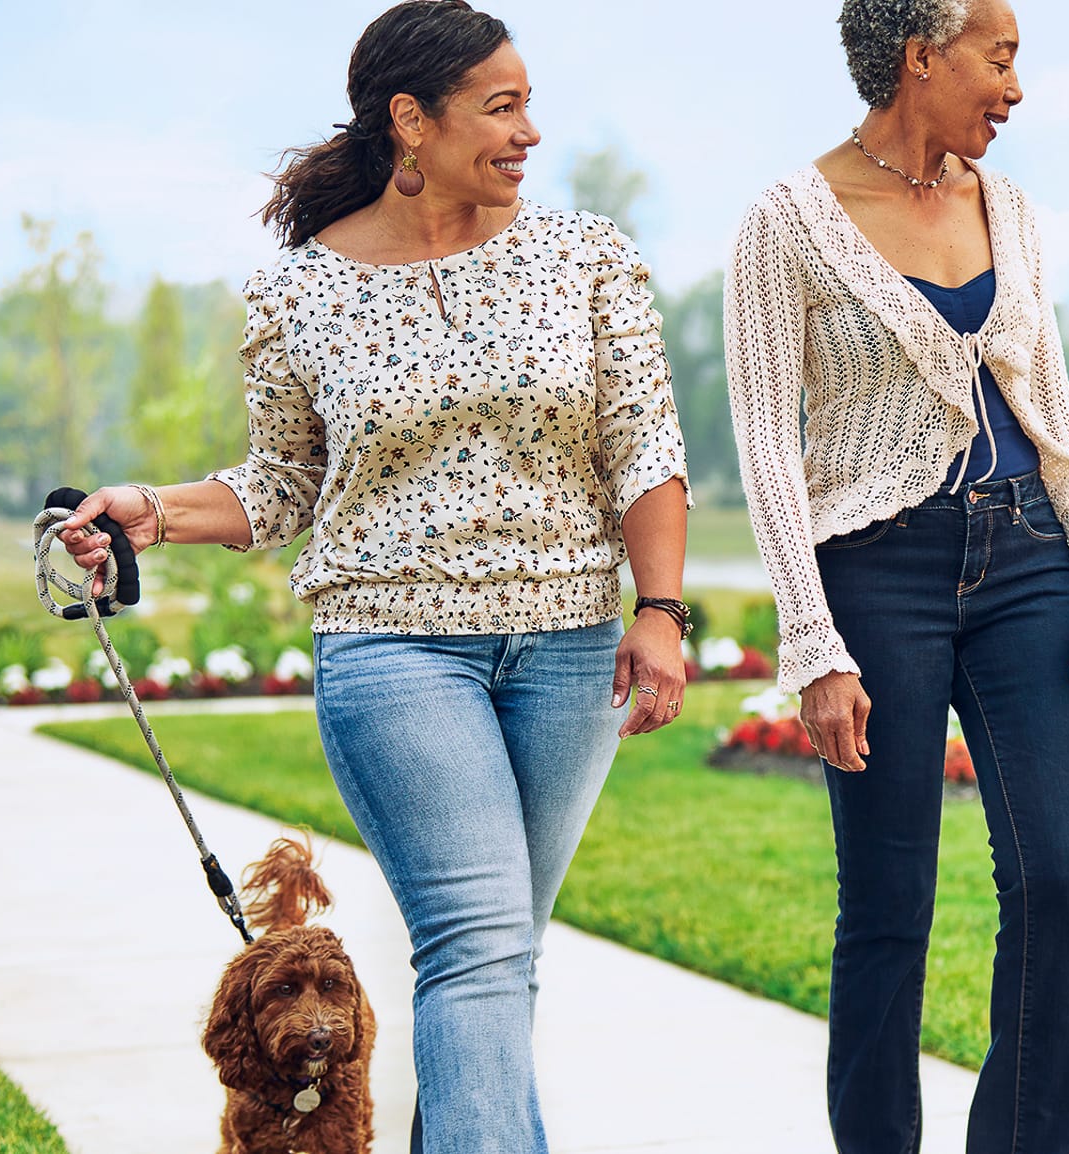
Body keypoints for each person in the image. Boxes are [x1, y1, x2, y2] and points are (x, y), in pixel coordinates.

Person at [58, 3, 691, 1150]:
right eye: (502, 107)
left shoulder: (585, 255)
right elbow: (283, 483)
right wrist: (148, 515)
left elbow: (646, 444)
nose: (530, 132)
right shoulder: (302, 290)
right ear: (412, 120)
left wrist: (659, 607)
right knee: (480, 943)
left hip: (566, 650)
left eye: (528, 103)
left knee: (499, 956)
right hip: (394, 647)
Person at [724, 1, 1069, 1149]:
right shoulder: (787, 220)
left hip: (1026, 562)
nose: (1016, 90)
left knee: (1057, 878)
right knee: (888, 909)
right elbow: (767, 442)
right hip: (876, 575)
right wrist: (813, 640)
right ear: (922, 55)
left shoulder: (1007, 206)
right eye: (1001, 60)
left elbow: (1048, 407)